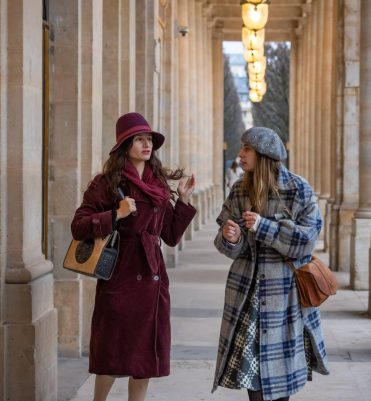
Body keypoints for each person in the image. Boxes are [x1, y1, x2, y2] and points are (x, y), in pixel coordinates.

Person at [71, 112, 196, 401]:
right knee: (111, 354)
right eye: (139, 138)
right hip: (120, 277)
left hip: (152, 280)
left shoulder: (159, 185)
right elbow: (78, 226)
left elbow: (170, 236)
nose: (146, 144)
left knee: (143, 363)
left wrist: (184, 201)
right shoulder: (106, 182)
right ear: (125, 144)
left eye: (149, 138)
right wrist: (116, 214)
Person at [212, 127, 329, 401]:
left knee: (280, 378)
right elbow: (225, 243)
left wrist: (265, 227)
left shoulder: (298, 189)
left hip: (285, 297)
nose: (240, 154)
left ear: (263, 154)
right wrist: (231, 238)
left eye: (246, 149)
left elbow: (307, 241)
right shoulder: (239, 189)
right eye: (241, 147)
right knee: (253, 376)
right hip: (247, 296)